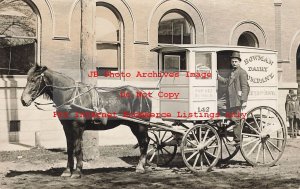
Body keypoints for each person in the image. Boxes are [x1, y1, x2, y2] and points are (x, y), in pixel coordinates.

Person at [217, 51, 250, 145]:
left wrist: (244, 100)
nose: (234, 63)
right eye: (233, 62)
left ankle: (237, 140)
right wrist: (218, 77)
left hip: (237, 99)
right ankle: (226, 124)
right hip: (229, 98)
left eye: (236, 61)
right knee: (218, 106)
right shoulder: (232, 72)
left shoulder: (242, 72)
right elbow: (227, 82)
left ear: (239, 62)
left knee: (236, 119)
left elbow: (245, 87)